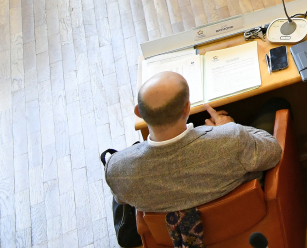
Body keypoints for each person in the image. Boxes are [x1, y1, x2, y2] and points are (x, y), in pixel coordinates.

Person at [104, 71, 282, 215]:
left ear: (139, 112)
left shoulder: (117, 170)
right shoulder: (231, 139)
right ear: (187, 108)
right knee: (277, 103)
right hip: (244, 219)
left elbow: (122, 199)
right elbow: (273, 150)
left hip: (175, 239)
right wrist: (228, 126)